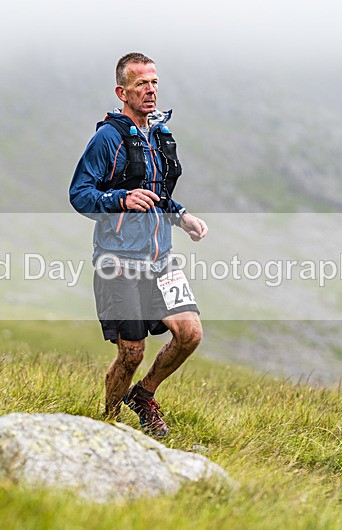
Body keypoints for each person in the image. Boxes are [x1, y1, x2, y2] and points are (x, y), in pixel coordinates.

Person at [69, 52, 208, 437]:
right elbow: (79, 194)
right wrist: (120, 200)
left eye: (154, 82)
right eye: (141, 84)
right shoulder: (107, 138)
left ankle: (143, 396)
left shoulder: (160, 136)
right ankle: (110, 426)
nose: (150, 90)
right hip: (119, 261)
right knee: (131, 353)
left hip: (161, 259)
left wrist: (182, 217)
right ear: (122, 91)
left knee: (190, 334)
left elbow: (158, 193)